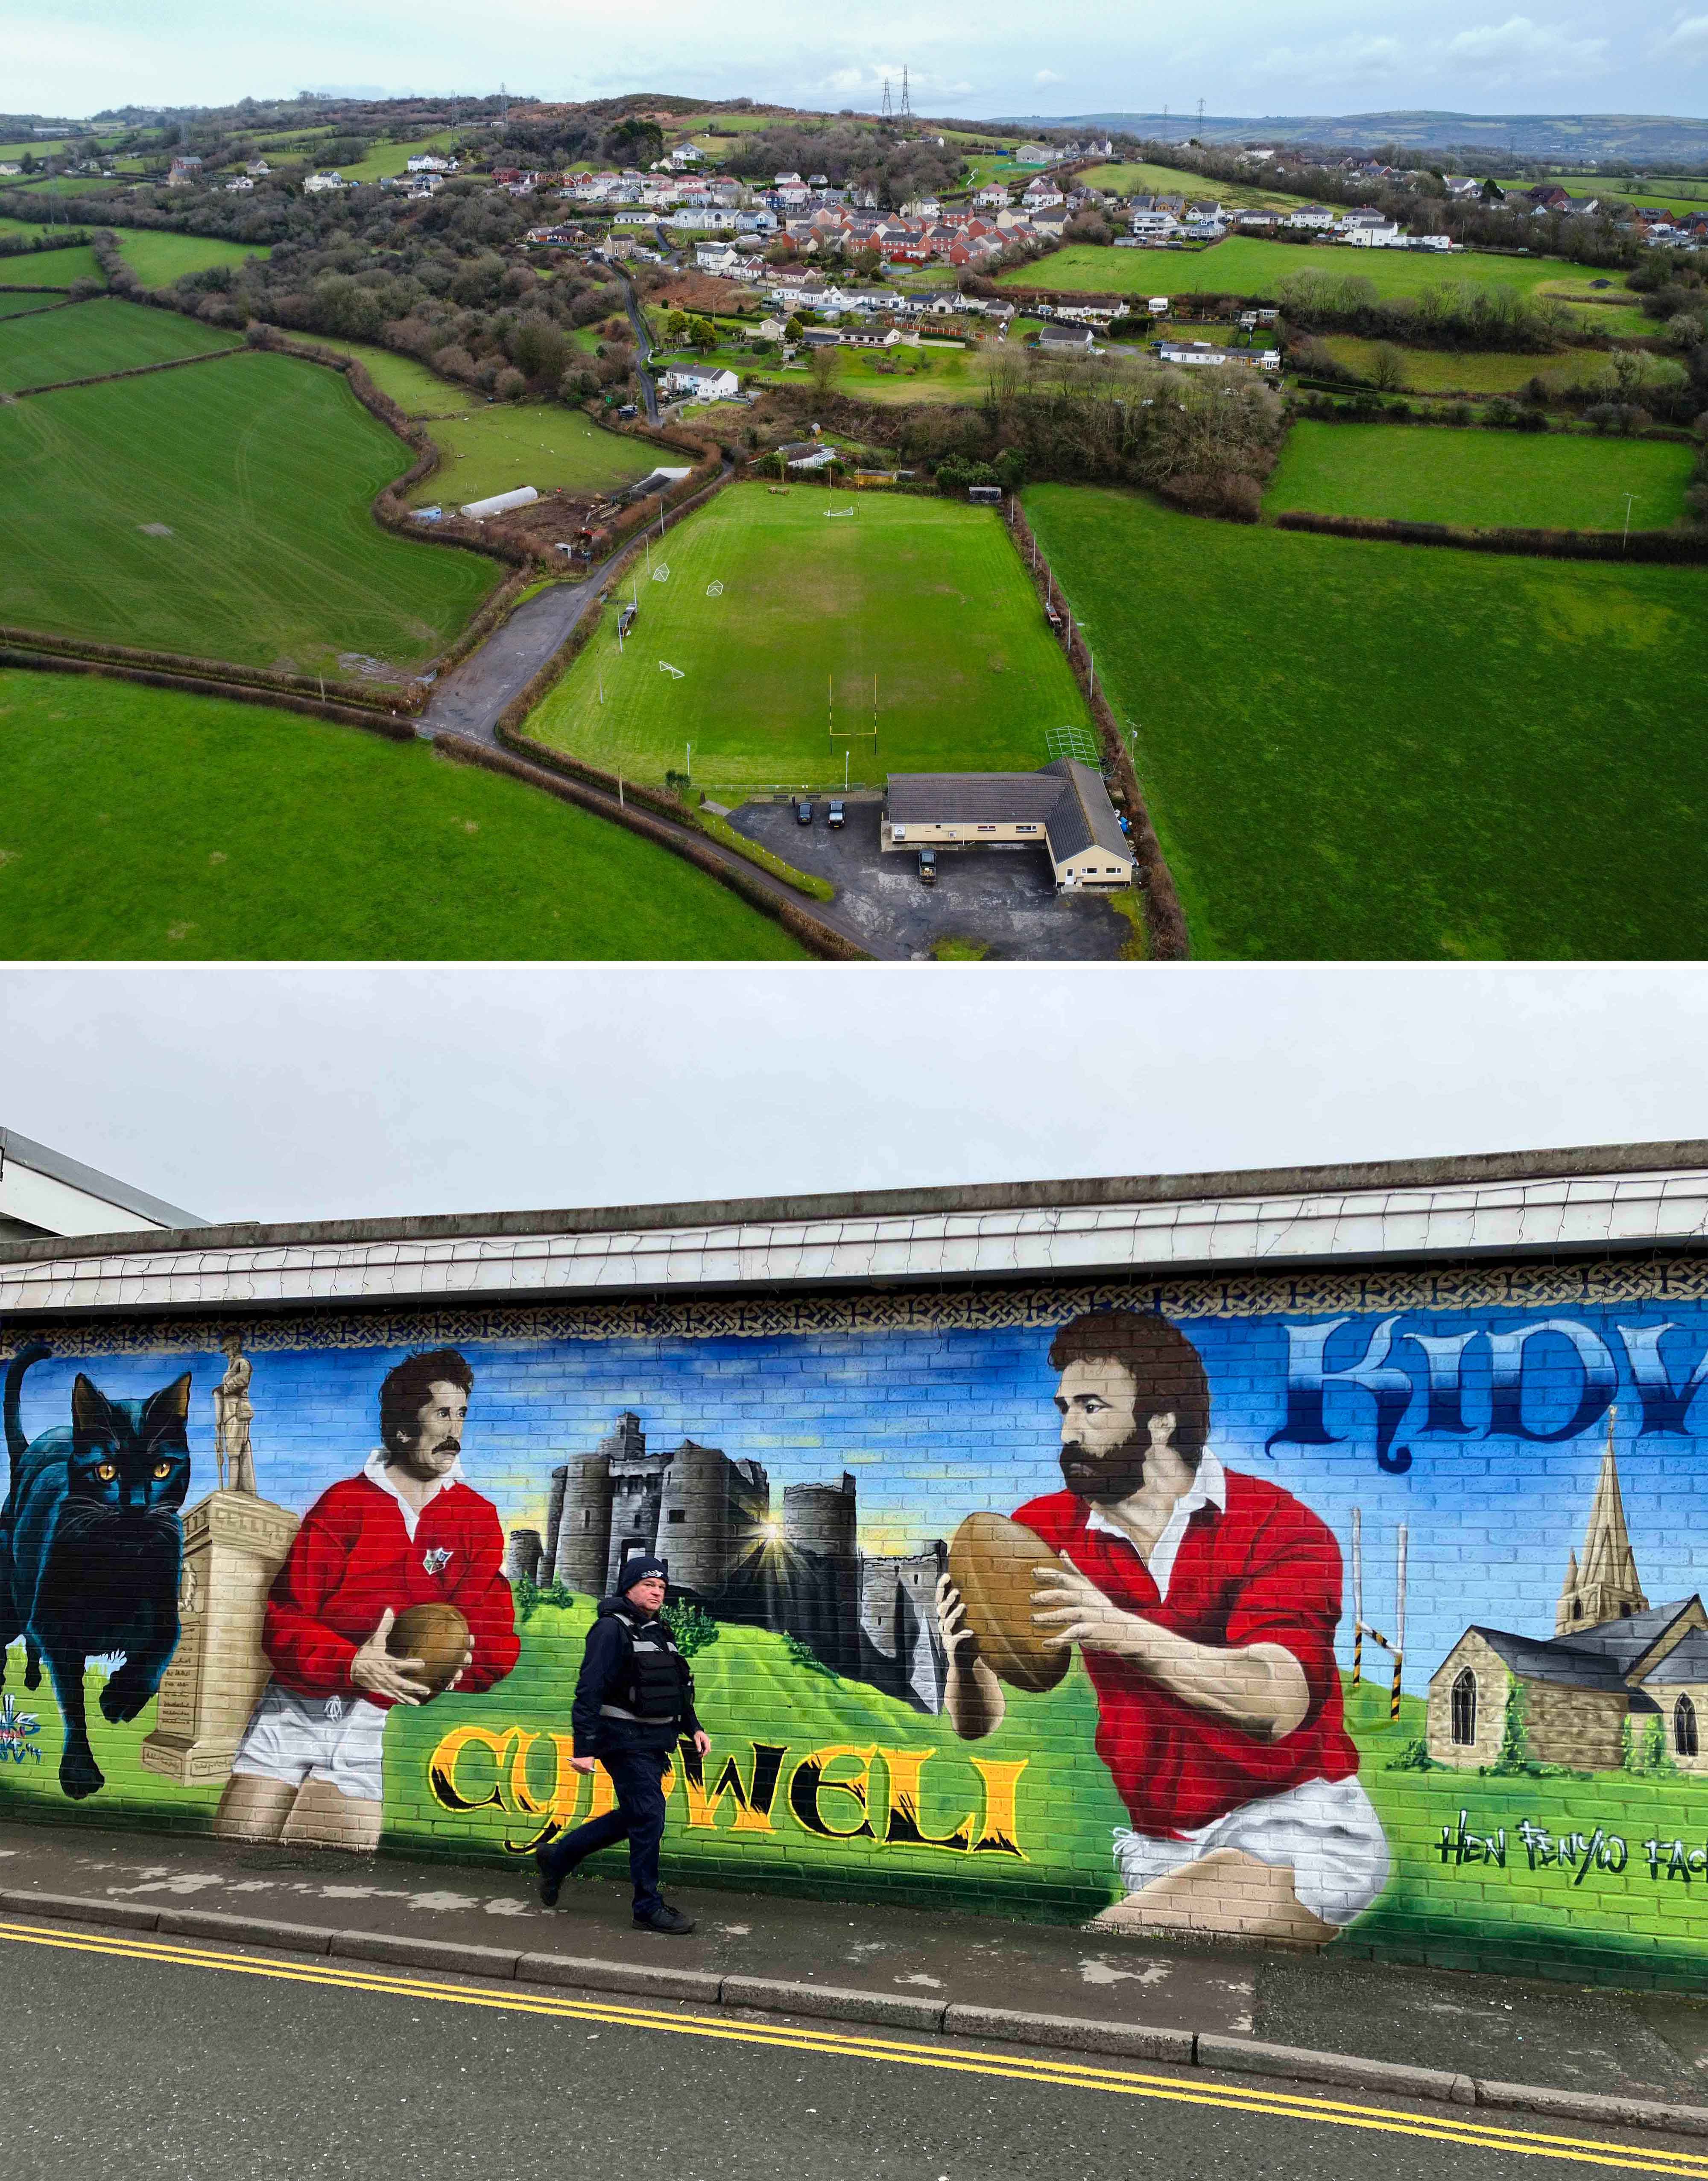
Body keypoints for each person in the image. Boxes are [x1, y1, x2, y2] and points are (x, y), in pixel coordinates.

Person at [935, 1309, 1389, 1944]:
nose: (1068, 1429)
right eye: (1064, 1406)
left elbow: (1276, 1700)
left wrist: (1120, 1629)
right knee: (1159, 2010)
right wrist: (966, 1661)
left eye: (1092, 1408)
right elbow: (977, 1722)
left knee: (1097, 1968)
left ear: (1161, 1420)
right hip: (1157, 1845)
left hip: (1292, 1826)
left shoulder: (1278, 1527)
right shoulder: (1042, 1529)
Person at [213, 1347, 519, 1852]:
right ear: (403, 1428)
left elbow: (491, 1631)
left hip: (365, 1723)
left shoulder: (475, 1516)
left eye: (462, 1413)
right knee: (233, 1852)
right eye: (442, 1413)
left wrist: (465, 1662)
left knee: (325, 1873)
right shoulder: (343, 1505)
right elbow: (284, 1622)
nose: (455, 1429)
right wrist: (352, 1662)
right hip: (292, 1712)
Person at [535, 1554, 709, 1934]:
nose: (657, 1592)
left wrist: (693, 1726)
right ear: (629, 1588)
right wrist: (583, 1747)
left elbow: (678, 1687)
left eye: (662, 1587)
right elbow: (589, 1690)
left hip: (654, 1741)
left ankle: (558, 1857)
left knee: (638, 1814)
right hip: (623, 1740)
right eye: (649, 1585)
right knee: (649, 1815)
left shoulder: (660, 1631)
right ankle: (647, 1907)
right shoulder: (610, 1630)